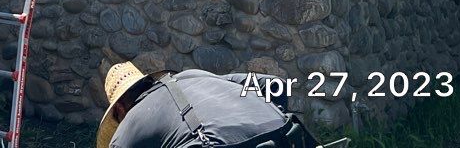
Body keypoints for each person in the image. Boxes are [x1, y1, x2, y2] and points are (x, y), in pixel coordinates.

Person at [97, 62, 320, 148]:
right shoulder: (197, 75)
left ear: (119, 110)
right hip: (286, 135)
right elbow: (275, 85)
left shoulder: (125, 133)